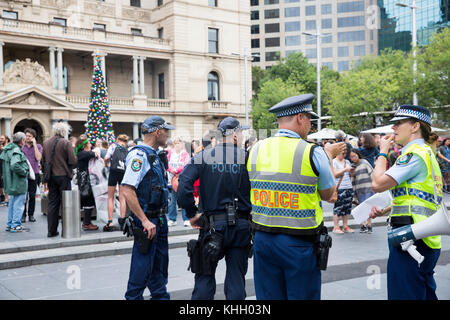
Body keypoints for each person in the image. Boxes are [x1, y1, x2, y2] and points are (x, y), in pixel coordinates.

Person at [247, 93, 345, 300]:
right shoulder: (312, 151)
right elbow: (328, 194)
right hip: (298, 242)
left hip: (263, 239)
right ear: (300, 117)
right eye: (309, 118)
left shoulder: (256, 148)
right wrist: (328, 156)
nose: (310, 124)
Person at [370, 104, 443, 300]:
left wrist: (383, 152)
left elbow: (377, 183)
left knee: (404, 293)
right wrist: (386, 209)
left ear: (415, 126)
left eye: (398, 123)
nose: (393, 128)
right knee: (424, 293)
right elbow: (416, 195)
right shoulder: (427, 153)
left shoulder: (414, 154)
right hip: (425, 235)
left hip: (411, 236)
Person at [177, 117, 251, 300]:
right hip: (240, 226)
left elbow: (183, 185)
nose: (242, 137)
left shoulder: (203, 156)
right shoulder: (247, 158)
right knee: (236, 281)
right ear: (234, 136)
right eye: (241, 133)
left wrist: (191, 214)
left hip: (211, 227)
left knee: (204, 277)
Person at [121, 115, 174, 300]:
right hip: (148, 221)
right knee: (142, 268)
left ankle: (160, 297)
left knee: (159, 267)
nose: (168, 135)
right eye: (166, 131)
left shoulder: (154, 155)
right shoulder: (139, 155)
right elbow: (127, 190)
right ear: (157, 132)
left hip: (158, 219)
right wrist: (144, 220)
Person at [42, 122, 77, 237]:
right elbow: (72, 160)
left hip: (51, 176)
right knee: (66, 203)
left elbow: (43, 160)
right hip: (63, 176)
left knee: (52, 203)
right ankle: (67, 230)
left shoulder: (46, 142)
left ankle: (51, 230)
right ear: (64, 131)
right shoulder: (65, 143)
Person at [0, 132, 29, 232]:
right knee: (19, 203)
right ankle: (15, 225)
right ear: (22, 141)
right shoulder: (16, 150)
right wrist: (24, 171)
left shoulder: (8, 149)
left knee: (12, 202)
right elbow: (14, 165)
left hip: (11, 180)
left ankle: (10, 224)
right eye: (24, 140)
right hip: (18, 181)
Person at [103, 134, 129, 231]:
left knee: (110, 197)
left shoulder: (113, 147)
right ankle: (122, 221)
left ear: (118, 139)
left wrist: (106, 165)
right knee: (122, 198)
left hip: (113, 172)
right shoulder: (127, 149)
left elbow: (106, 158)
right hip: (123, 173)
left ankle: (110, 222)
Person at [75, 135, 99, 231]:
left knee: (87, 200)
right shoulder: (83, 154)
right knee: (88, 200)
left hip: (84, 180)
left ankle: (87, 222)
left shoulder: (80, 153)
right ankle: (86, 223)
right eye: (89, 143)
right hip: (85, 181)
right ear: (84, 145)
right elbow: (94, 154)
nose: (90, 144)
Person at [349, 148, 374, 233]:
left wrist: (374, 185)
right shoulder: (352, 167)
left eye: (354, 156)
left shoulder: (365, 162)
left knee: (368, 207)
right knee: (362, 208)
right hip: (359, 190)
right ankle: (363, 225)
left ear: (358, 155)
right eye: (351, 157)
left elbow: (371, 173)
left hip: (368, 188)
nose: (353, 158)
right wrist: (354, 192)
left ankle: (369, 225)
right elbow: (353, 180)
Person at [167, 137, 190, 227]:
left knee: (183, 199)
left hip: (182, 180)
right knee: (172, 200)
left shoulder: (185, 154)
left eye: (179, 143)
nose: (177, 145)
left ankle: (186, 219)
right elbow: (166, 163)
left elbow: (186, 165)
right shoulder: (169, 153)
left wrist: (176, 170)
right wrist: (170, 169)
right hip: (171, 181)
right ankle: (172, 219)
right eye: (176, 143)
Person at [21, 128, 43, 223]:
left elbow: (38, 158)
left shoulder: (38, 146)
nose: (27, 138)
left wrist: (34, 144)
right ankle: (23, 215)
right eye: (26, 136)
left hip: (35, 173)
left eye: (30, 136)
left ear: (34, 137)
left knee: (32, 195)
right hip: (23, 174)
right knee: (23, 196)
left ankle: (31, 215)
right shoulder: (22, 147)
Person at [332, 150, 355, 234]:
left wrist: (351, 171)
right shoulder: (333, 162)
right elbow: (334, 174)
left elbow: (350, 175)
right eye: (343, 153)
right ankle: (336, 226)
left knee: (347, 207)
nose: (344, 155)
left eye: (345, 153)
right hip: (339, 187)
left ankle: (345, 226)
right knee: (338, 207)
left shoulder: (347, 161)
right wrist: (345, 169)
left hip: (348, 186)